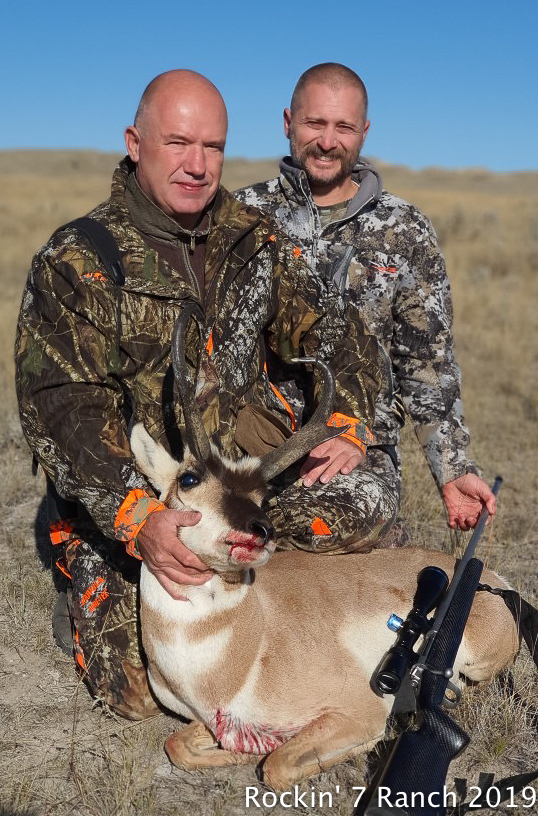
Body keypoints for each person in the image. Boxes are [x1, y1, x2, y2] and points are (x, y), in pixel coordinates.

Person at [15, 70, 380, 719]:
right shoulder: (77, 262)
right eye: (178, 142)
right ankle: (80, 562)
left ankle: (263, 594)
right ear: (135, 142)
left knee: (358, 509)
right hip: (140, 493)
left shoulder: (252, 240)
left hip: (237, 478)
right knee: (144, 690)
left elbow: (334, 328)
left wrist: (348, 418)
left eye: (212, 146)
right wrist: (134, 517)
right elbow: (63, 408)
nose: (197, 164)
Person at [235, 62, 497, 536]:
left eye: (344, 127)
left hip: (357, 447)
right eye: (315, 123)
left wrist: (453, 469)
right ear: (288, 121)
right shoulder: (243, 218)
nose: (328, 141)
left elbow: (427, 364)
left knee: (322, 526)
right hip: (254, 439)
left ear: (364, 132)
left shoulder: (405, 230)